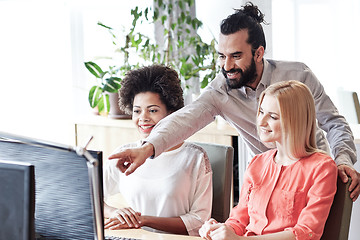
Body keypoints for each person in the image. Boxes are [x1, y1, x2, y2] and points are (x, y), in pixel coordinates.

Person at [109, 2, 360, 201]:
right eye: (221, 56)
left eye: (236, 56)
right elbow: (185, 119)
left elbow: (334, 123)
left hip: (315, 179)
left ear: (259, 53)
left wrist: (343, 160)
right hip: (267, 184)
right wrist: (147, 147)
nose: (226, 66)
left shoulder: (298, 76)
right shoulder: (220, 92)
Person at [199, 80, 338, 240]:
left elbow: (307, 232)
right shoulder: (256, 163)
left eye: (272, 116)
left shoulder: (322, 168)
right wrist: (220, 230)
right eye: (261, 112)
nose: (261, 121)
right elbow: (239, 220)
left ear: (295, 120)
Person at [103, 64, 213, 236]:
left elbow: (200, 221)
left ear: (172, 113)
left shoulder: (195, 158)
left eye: (153, 110)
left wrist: (144, 220)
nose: (143, 118)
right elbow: (90, 196)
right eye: (137, 111)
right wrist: (113, 212)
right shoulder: (124, 154)